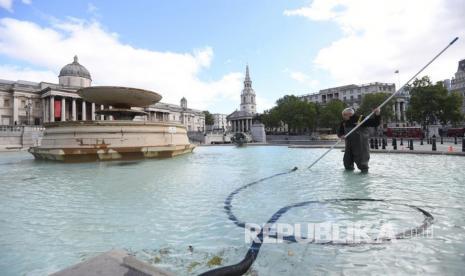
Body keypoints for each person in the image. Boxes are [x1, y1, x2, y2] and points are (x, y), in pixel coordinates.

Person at [337, 107, 381, 173]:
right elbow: (340, 131)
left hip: (361, 145)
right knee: (347, 162)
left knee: (362, 164)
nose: (343, 117)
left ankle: (364, 178)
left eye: (344, 115)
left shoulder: (361, 119)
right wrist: (341, 135)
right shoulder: (344, 122)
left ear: (349, 114)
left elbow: (375, 123)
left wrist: (377, 114)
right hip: (349, 145)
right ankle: (349, 178)